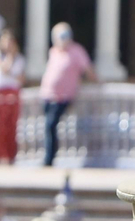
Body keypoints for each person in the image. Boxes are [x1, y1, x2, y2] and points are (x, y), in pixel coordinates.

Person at [40, 23, 95, 168]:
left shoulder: (77, 51)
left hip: (63, 97)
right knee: (47, 127)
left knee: (51, 125)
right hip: (47, 95)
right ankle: (47, 156)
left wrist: (99, 81)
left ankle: (49, 159)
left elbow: (88, 70)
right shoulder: (54, 51)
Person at [0, 30, 24, 164]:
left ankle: (10, 155)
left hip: (13, 92)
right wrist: (9, 56)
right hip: (0, 92)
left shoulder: (19, 58)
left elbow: (21, 78)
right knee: (0, 125)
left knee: (12, 125)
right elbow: (4, 69)